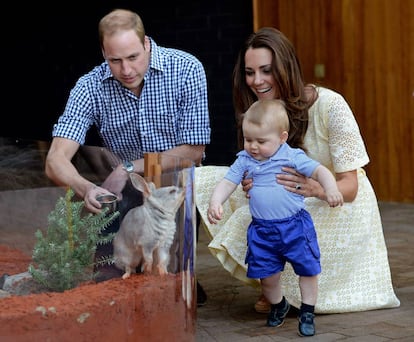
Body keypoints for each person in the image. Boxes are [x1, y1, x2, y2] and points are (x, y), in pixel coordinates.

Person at [195, 27, 400, 315]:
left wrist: (315, 188)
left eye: (266, 70)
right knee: (206, 180)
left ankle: (287, 291)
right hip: (289, 194)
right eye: (250, 72)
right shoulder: (259, 109)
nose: (257, 81)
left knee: (261, 219)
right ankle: (273, 286)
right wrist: (250, 181)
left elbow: (351, 186)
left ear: (286, 67)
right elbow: (254, 165)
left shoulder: (331, 105)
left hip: (336, 201)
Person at [45, 9, 210, 305]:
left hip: (174, 187)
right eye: (115, 60)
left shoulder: (186, 68)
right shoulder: (90, 86)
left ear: (146, 43)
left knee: (173, 293)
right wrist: (87, 188)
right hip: (125, 195)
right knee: (110, 284)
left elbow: (194, 150)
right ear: (103, 53)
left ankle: (181, 280)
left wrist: (129, 166)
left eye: (133, 57)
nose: (126, 70)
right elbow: (55, 160)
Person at [207, 99, 343, 336]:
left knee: (308, 270)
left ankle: (308, 311)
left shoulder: (292, 157)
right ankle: (279, 305)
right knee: (267, 278)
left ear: (282, 137)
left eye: (261, 141)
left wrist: (330, 188)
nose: (253, 146)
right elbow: (228, 181)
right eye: (248, 139)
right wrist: (216, 201)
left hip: (295, 227)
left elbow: (319, 171)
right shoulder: (245, 160)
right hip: (262, 230)